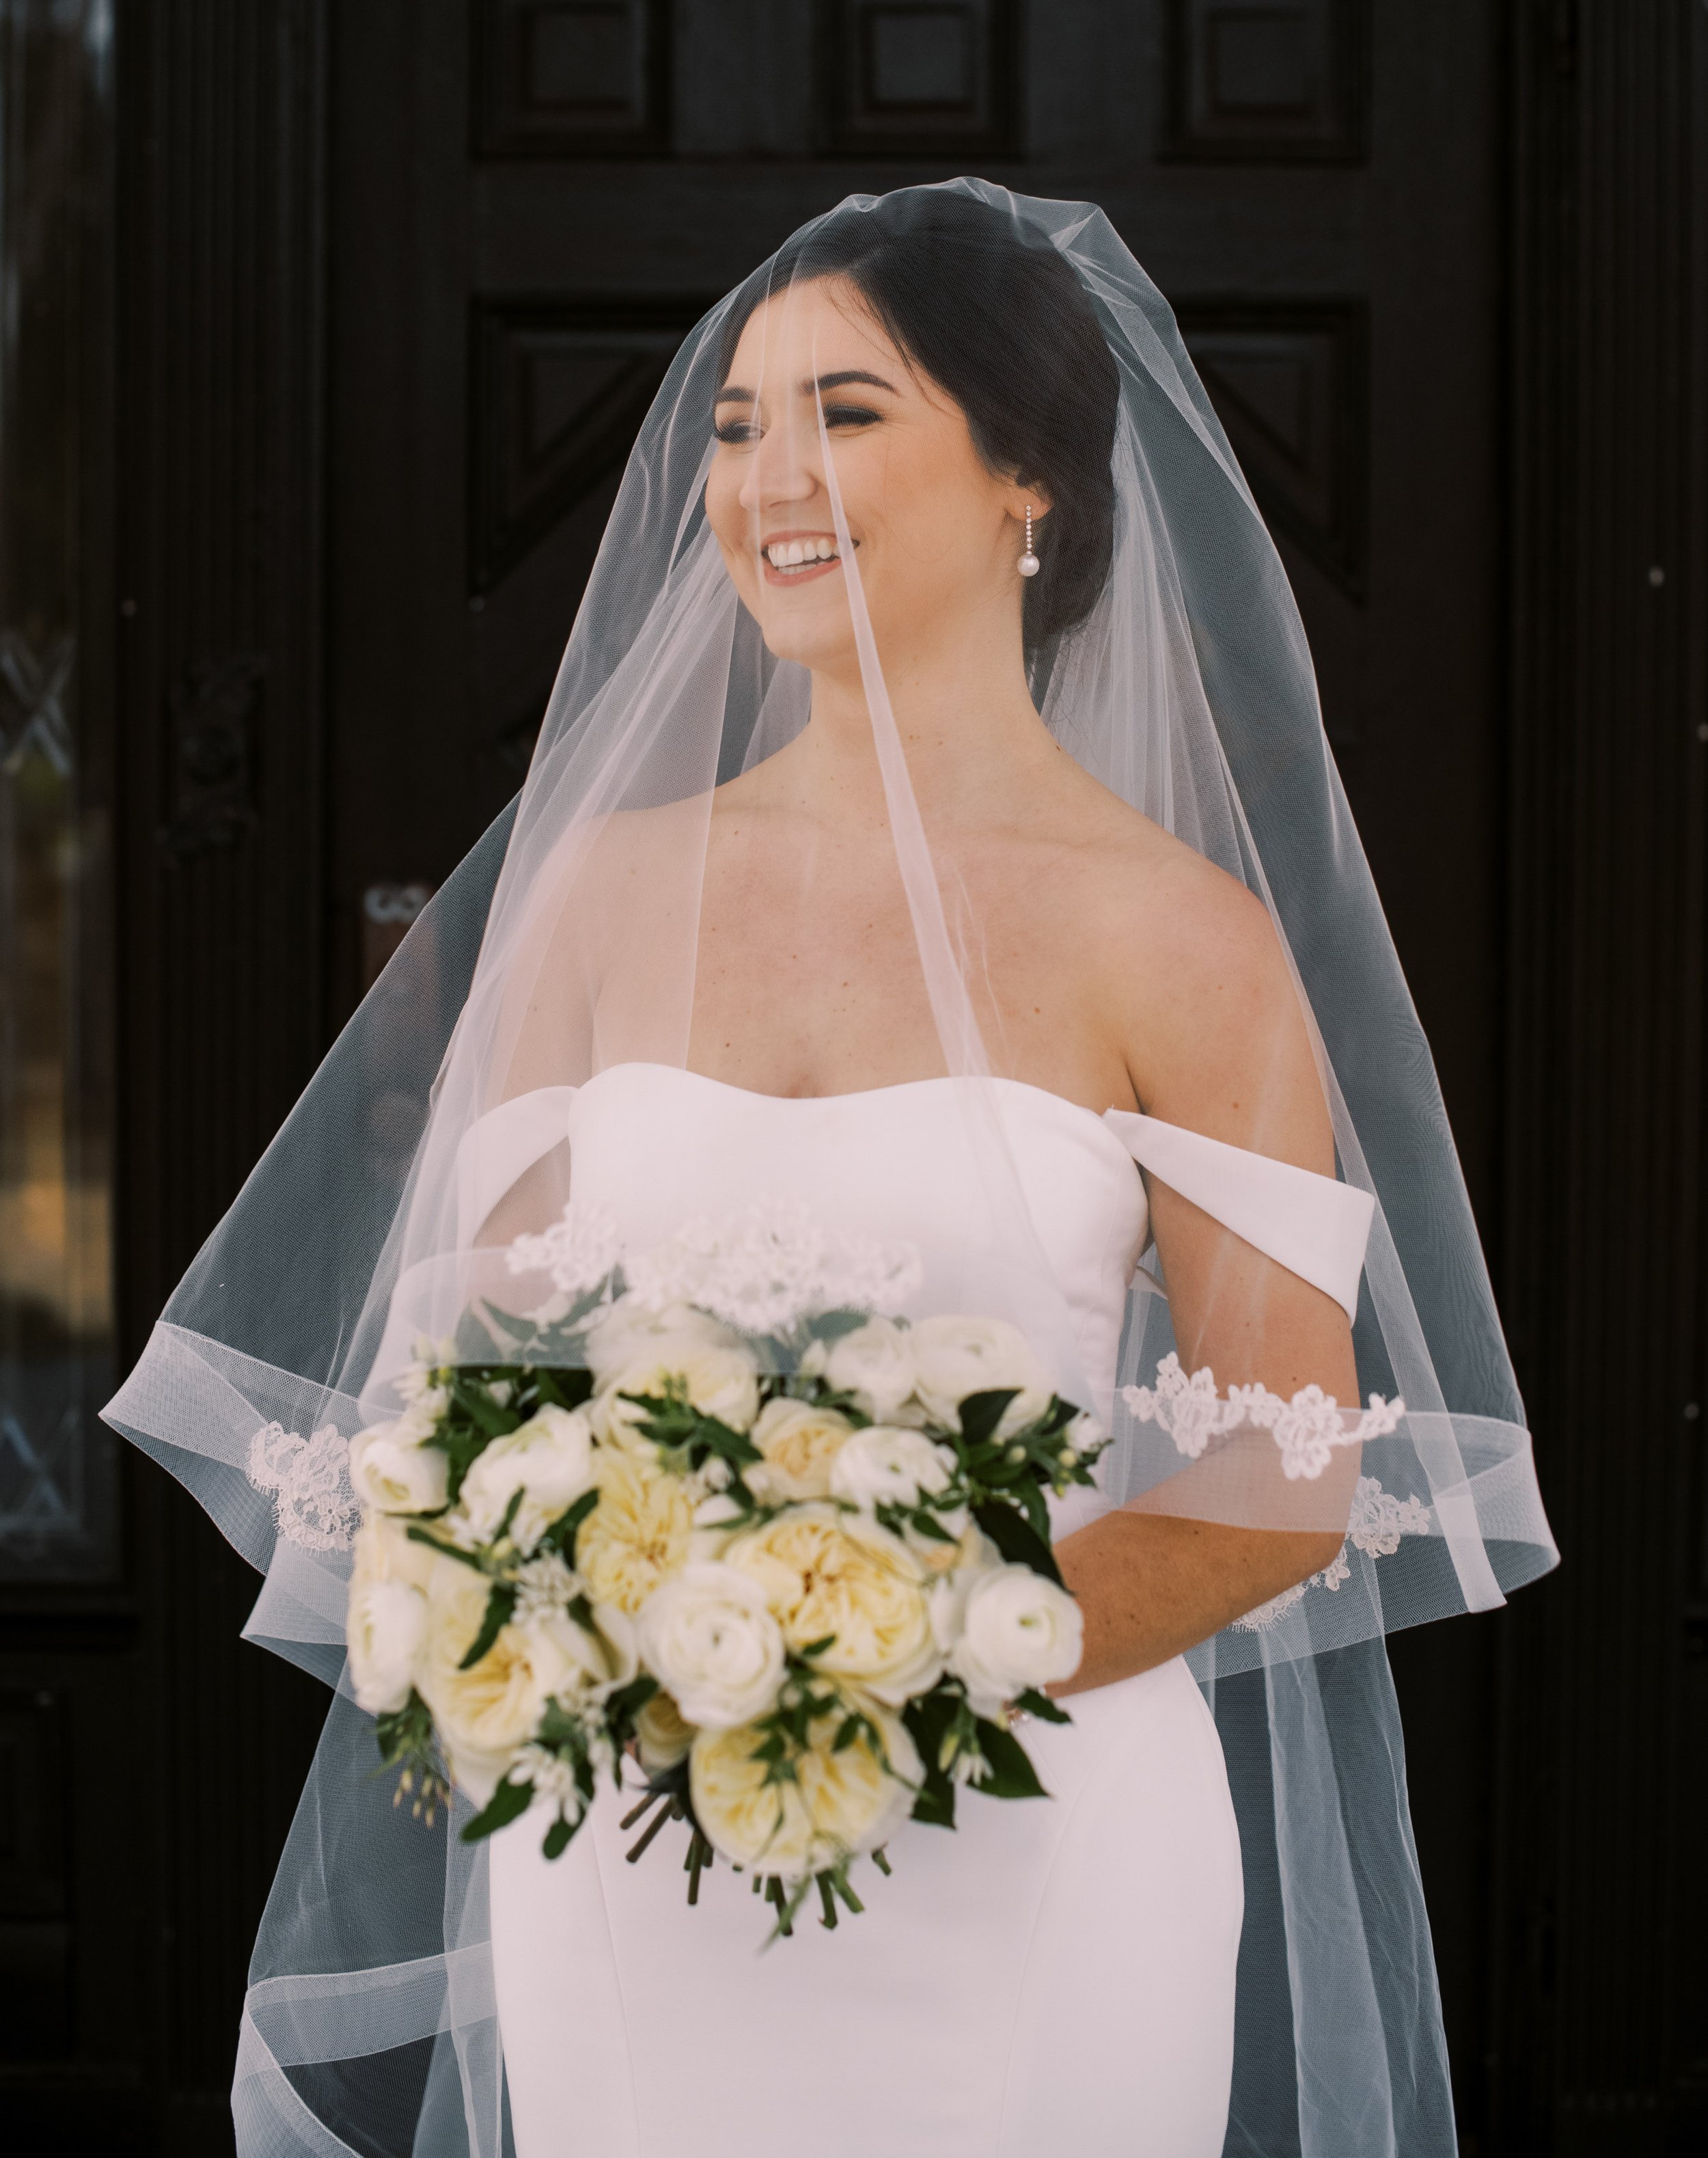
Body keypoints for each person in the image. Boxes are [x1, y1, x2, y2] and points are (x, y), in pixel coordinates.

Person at [106, 182, 1555, 2158]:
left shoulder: (1180, 939)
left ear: (1027, 468)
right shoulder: (604, 894)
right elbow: (481, 1383)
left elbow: (1283, 1476)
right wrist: (570, 1603)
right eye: (733, 425)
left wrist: (901, 1653)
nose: (767, 477)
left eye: (844, 412)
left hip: (1029, 1835)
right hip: (633, 1842)